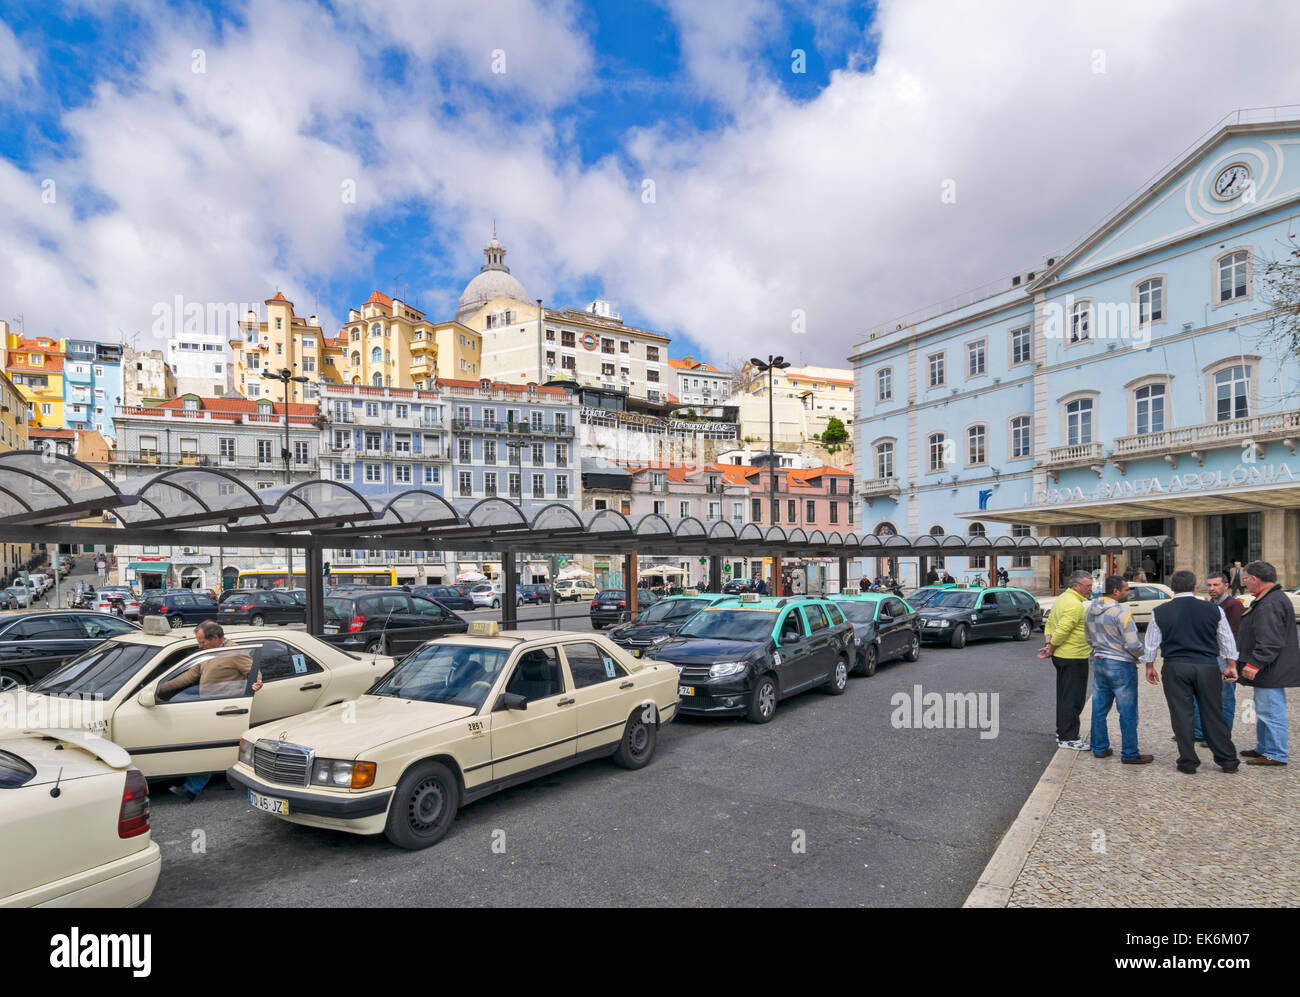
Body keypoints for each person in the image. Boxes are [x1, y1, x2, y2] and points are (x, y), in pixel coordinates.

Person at [1142, 570, 1239, 774]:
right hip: (1207, 665)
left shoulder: (1160, 611)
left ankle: (1188, 761)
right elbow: (1226, 639)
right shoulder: (1213, 610)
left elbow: (1151, 643)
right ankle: (1227, 760)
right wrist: (1231, 664)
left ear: (1171, 588)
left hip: (1175, 666)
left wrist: (1149, 666)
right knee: (1213, 712)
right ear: (1195, 587)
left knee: (1181, 714)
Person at [159, 621, 262, 800]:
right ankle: (229, 781)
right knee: (213, 748)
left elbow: (253, 671)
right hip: (208, 707)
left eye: (202, 642)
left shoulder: (234, 651)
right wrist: (160, 687)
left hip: (225, 708)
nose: (199, 646)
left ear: (215, 638)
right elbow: (190, 675)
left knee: (208, 748)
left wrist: (257, 683)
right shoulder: (209, 652)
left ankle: (191, 789)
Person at [1235, 560, 1299, 766]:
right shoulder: (1270, 598)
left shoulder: (1270, 602)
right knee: (1264, 711)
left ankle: (1276, 753)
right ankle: (1264, 747)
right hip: (1270, 669)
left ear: (1255, 579)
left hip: (1270, 669)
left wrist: (1255, 663)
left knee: (1271, 711)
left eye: (1245, 579)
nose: (1245, 583)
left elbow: (1270, 640)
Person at [1084, 576, 1151, 764]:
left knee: (1099, 708)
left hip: (1099, 661)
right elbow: (1133, 644)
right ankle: (1130, 753)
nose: (1128, 593)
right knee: (1127, 710)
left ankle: (1099, 748)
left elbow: (1088, 638)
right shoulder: (1121, 612)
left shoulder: (1090, 610)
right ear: (1115, 591)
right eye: (1126, 589)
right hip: (1121, 664)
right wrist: (1143, 655)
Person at [1041, 570, 1094, 750]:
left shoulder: (1062, 599)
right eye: (1088, 586)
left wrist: (1049, 644)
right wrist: (1052, 647)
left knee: (1064, 697)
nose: (1090, 589)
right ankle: (1069, 738)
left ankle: (1062, 732)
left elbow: (1049, 623)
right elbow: (1063, 630)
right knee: (1074, 699)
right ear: (1076, 585)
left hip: (1062, 656)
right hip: (1074, 656)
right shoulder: (1075, 605)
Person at [1193, 571, 1244, 744]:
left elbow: (1235, 635)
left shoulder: (1233, 605)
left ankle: (1221, 737)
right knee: (1203, 696)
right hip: (1208, 656)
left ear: (1226, 586)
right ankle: (1200, 732)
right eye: (1209, 585)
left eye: (1216, 585)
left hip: (1224, 658)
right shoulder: (1209, 605)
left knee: (1225, 699)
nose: (1212, 588)